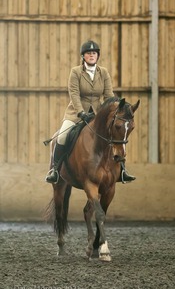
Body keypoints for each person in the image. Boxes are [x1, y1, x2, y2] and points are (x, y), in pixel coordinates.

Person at [45, 40, 135, 184]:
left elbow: (109, 96)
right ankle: (55, 170)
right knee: (61, 137)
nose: (91, 55)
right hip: (75, 113)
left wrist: (116, 108)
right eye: (88, 53)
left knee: (115, 135)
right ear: (83, 56)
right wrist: (81, 112)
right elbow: (74, 93)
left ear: (97, 56)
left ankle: (122, 170)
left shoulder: (103, 72)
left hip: (98, 114)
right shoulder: (75, 72)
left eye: (94, 53)